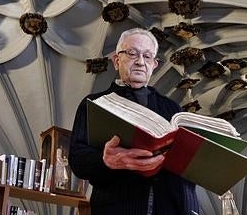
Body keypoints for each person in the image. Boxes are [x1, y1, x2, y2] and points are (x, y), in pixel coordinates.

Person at [69, 28, 200, 215]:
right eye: (132, 53)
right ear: (116, 61)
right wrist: (105, 160)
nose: (140, 62)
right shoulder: (94, 104)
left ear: (154, 65)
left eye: (147, 56)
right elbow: (77, 159)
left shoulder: (172, 109)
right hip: (117, 208)